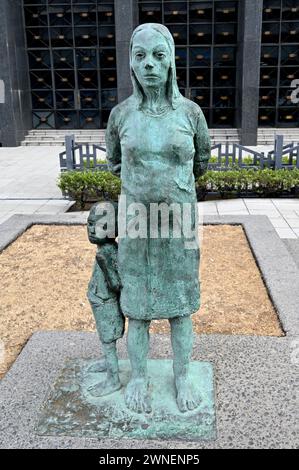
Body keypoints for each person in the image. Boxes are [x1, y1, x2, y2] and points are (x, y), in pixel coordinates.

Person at [105, 23, 211, 413]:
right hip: (136, 226)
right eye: (140, 56)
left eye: (158, 55)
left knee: (181, 306)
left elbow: (201, 162)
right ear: (131, 64)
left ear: (171, 63)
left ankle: (182, 376)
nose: (149, 64)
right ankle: (138, 377)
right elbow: (115, 161)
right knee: (138, 308)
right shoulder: (120, 116)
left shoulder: (190, 113)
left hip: (178, 223)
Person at [86, 201, 125, 397]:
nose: (92, 230)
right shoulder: (103, 250)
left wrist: (106, 268)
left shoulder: (108, 252)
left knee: (108, 341)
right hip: (100, 302)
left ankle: (113, 379)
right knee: (105, 341)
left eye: (100, 225)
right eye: (90, 224)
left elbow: (117, 283)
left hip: (106, 304)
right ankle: (109, 363)